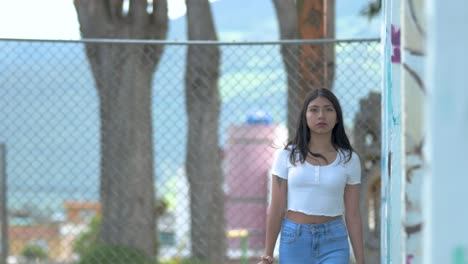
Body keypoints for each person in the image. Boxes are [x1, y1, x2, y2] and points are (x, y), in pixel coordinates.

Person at [258, 88, 365, 264]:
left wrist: (361, 260)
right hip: (294, 239)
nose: (321, 115)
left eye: (328, 109)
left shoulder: (350, 159)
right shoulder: (287, 156)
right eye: (314, 109)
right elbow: (276, 208)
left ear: (337, 117)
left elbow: (353, 214)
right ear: (305, 117)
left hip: (334, 239)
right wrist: (268, 254)